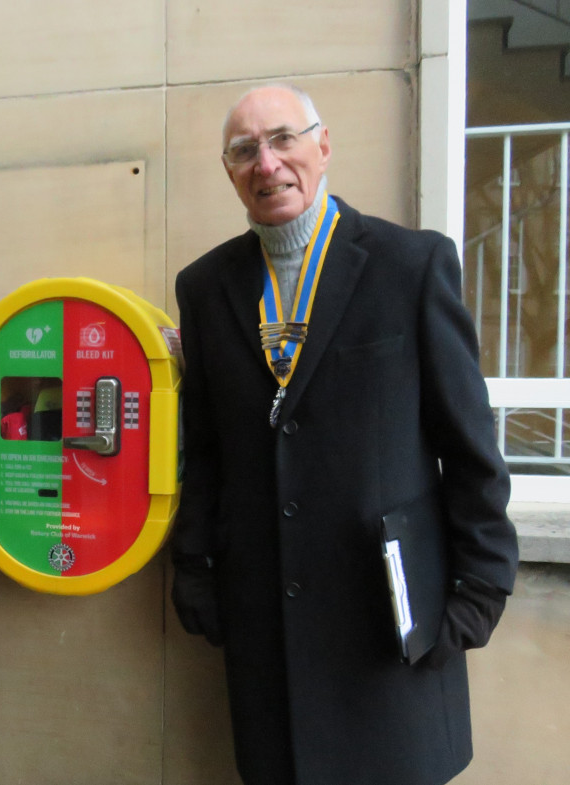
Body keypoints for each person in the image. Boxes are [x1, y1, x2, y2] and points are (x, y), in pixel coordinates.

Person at [170, 84, 519, 785]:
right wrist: (195, 569)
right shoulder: (206, 287)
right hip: (266, 624)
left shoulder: (411, 265)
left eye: (284, 139)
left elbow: (470, 446)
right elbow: (204, 448)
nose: (266, 163)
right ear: (229, 170)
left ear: (323, 147)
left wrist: (477, 594)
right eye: (244, 151)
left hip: (392, 625)